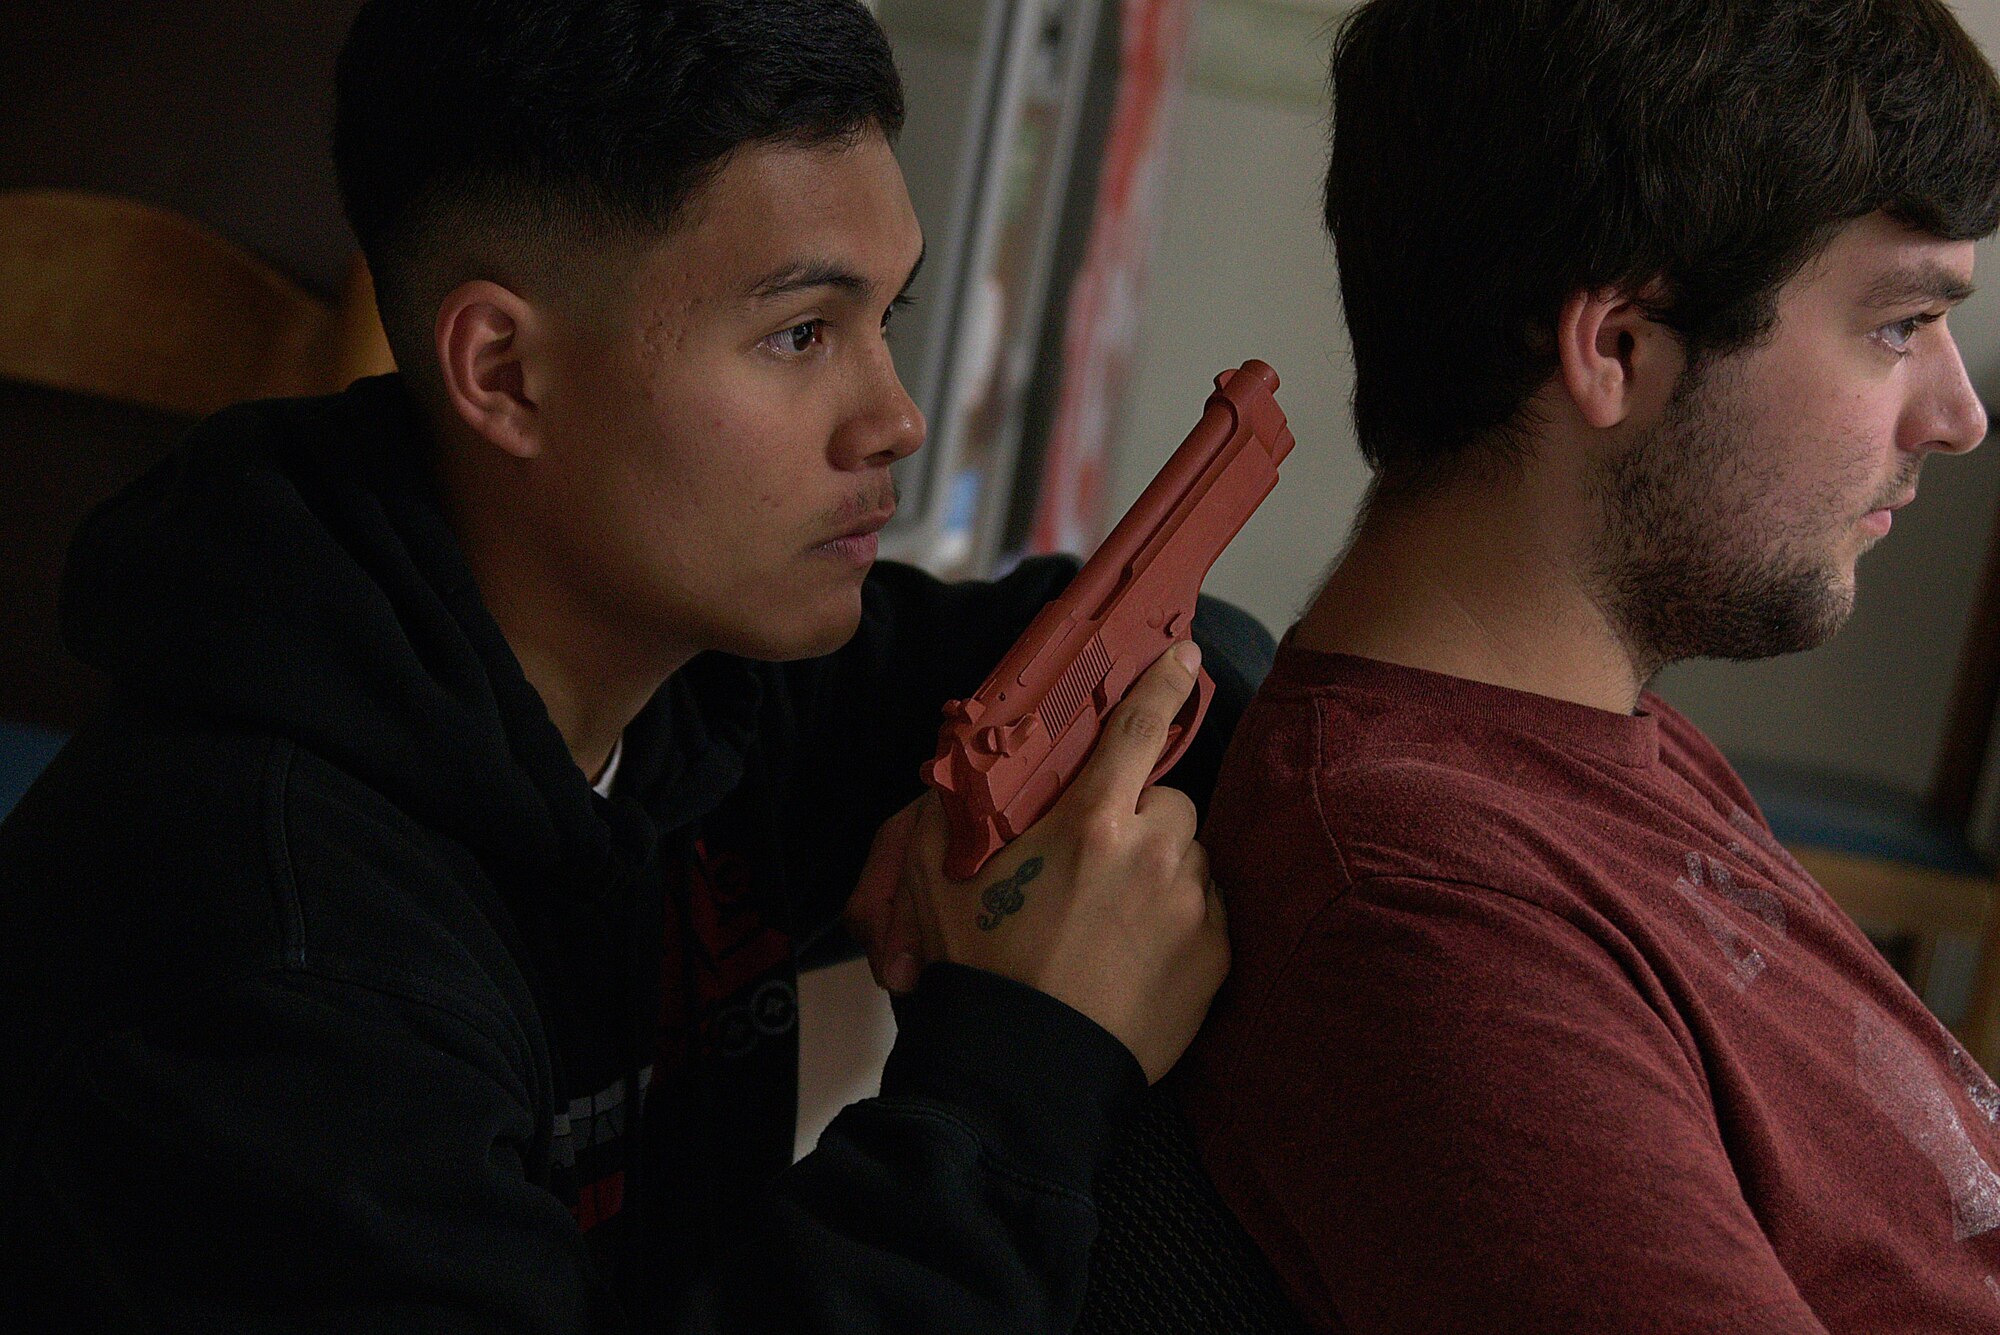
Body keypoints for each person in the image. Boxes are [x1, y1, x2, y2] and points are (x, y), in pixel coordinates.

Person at [0, 0, 1272, 1328]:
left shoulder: (695, 672)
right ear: (504, 372)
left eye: (887, 314)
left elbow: (1175, 649)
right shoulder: (269, 984)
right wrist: (1022, 1071)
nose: (893, 416)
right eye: (800, 334)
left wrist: (1043, 781)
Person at [1176, 1, 2000, 1331]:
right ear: (1615, 347)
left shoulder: (1588, 736)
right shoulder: (1427, 911)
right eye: (1899, 325)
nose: (1957, 416)